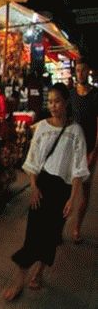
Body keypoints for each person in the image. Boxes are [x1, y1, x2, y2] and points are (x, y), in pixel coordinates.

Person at [3, 83, 90, 301]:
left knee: (52, 234)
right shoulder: (41, 128)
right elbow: (33, 160)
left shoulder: (75, 132)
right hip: (42, 186)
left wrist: (72, 198)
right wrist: (33, 186)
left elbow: (78, 168)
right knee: (33, 235)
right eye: (50, 101)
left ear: (66, 103)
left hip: (62, 189)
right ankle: (19, 280)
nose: (53, 106)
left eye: (57, 101)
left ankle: (40, 272)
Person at [69, 60, 98, 243]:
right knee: (66, 188)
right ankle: (58, 227)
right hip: (71, 149)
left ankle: (77, 228)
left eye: (83, 70)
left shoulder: (95, 95)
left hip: (88, 148)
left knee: (84, 190)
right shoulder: (70, 95)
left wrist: (94, 151)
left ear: (88, 72)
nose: (80, 73)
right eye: (77, 70)